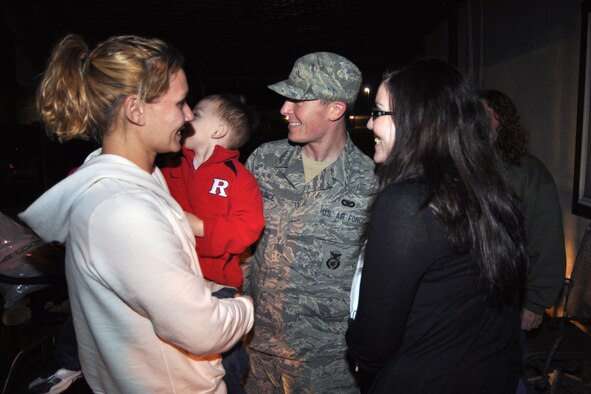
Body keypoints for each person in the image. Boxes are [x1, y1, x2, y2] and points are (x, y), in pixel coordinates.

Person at [19, 34, 254, 393]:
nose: (188, 115)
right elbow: (202, 331)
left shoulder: (145, 180)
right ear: (136, 110)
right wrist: (245, 306)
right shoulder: (123, 210)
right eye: (180, 102)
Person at [345, 59, 527, 393]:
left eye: (380, 112)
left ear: (418, 121)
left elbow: (374, 344)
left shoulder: (408, 204)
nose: (370, 124)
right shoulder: (488, 192)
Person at [244, 52, 377, 393]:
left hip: (328, 363)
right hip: (256, 352)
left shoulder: (370, 183)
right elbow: (242, 248)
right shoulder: (264, 161)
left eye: (298, 100)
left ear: (335, 109)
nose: (285, 109)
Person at [160, 93, 265, 393]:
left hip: (217, 283)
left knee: (227, 360)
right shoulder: (169, 163)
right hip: (173, 276)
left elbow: (248, 227)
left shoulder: (238, 178)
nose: (188, 115)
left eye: (198, 113)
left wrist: (199, 227)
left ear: (219, 131)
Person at [480, 89, 566, 331]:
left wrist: (535, 303)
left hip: (509, 303)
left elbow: (547, 242)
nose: (479, 122)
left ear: (504, 122)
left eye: (487, 115)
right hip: (471, 304)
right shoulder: (466, 169)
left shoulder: (529, 174)